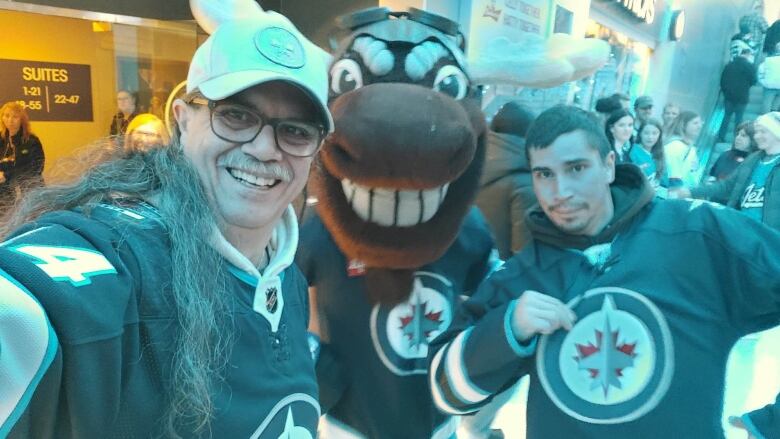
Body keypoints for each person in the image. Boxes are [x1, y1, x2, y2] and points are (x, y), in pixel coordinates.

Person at [0, 5, 333, 438]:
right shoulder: (120, 260)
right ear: (182, 119)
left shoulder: (285, 268)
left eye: (296, 131)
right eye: (235, 115)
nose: (266, 148)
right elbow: (30, 308)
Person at [428, 105, 780, 439]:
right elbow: (445, 392)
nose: (560, 192)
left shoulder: (698, 234)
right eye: (545, 174)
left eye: (576, 168)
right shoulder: (525, 276)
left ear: (609, 165)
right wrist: (507, 329)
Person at [679, 112, 780, 229]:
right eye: (757, 132)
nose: (757, 136)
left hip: (767, 235)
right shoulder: (753, 159)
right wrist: (693, 192)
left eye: (763, 132)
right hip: (741, 227)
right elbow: (727, 186)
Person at [477, 101, 537, 258]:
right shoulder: (525, 181)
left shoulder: (470, 162)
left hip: (465, 267)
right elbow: (523, 253)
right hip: (499, 274)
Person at [0, 101, 45, 206]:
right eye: (7, 116)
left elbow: (37, 168)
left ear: (22, 120)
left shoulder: (31, 140)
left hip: (29, 191)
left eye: (15, 117)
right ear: (2, 118)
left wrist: (7, 175)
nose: (10, 120)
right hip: (5, 194)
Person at [719, 48, 757, 143]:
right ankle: (737, 138)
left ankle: (720, 136)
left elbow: (722, 80)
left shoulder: (729, 65)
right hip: (742, 96)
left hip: (729, 96)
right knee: (739, 118)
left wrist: (726, 92)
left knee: (726, 116)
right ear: (748, 55)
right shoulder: (750, 67)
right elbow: (754, 81)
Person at [664, 110, 704, 189]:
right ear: (683, 125)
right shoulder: (675, 146)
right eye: (695, 123)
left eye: (700, 123)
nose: (699, 126)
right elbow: (673, 175)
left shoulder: (690, 148)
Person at [631, 118, 667, 190]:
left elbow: (665, 183)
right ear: (640, 134)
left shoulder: (659, 154)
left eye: (654, 133)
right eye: (646, 133)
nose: (650, 137)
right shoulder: (633, 152)